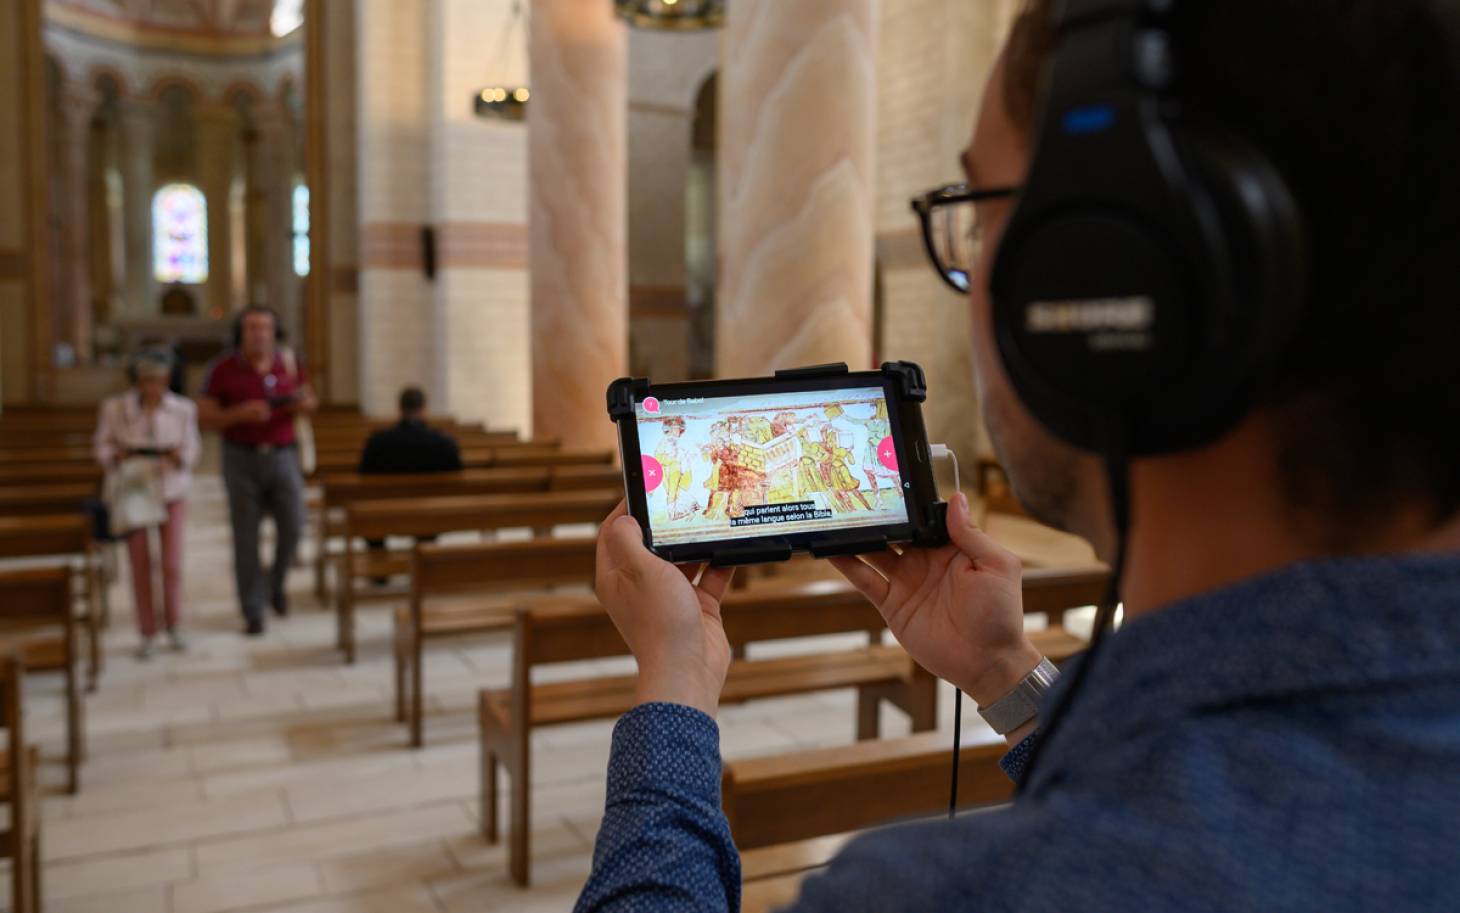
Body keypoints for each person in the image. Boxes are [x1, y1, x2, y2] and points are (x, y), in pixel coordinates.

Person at [574, 1, 1460, 911]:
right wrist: (1008, 673)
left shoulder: (943, 894)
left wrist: (673, 694)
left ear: (1111, 295)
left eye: (986, 218)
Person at [199, 306, 317, 636]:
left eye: (265, 327)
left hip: (283, 454)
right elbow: (205, 416)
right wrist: (240, 415)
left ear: (274, 331)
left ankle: (274, 582)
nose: (259, 334)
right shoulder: (222, 368)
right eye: (252, 328)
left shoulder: (289, 363)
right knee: (246, 537)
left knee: (294, 525)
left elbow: (310, 400)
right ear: (241, 332)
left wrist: (299, 403)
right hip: (241, 457)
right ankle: (253, 609)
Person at [93, 349, 201, 659]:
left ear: (167, 379)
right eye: (146, 380)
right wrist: (115, 456)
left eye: (158, 379)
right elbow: (102, 444)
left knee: (171, 563)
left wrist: (181, 458)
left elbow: (192, 444)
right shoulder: (116, 408)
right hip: (135, 489)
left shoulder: (182, 409)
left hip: (171, 487)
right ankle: (147, 630)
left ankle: (175, 622)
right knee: (140, 563)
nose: (153, 386)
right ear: (137, 381)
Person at [357, 386, 463, 474]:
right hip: (435, 498)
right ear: (424, 410)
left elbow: (363, 472)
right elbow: (458, 473)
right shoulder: (445, 442)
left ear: (400, 409)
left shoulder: (377, 441)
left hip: (388, 497)